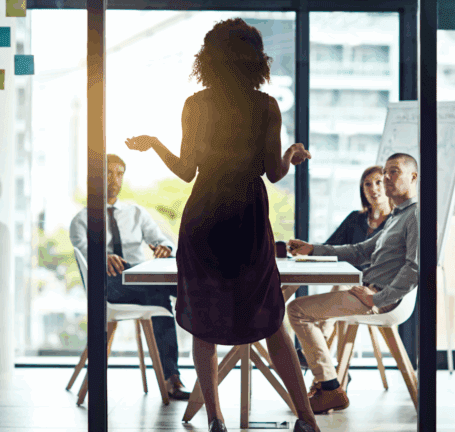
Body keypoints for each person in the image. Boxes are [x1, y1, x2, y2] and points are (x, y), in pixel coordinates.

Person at [124, 18, 320, 432]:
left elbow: (185, 172)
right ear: (256, 59)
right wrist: (291, 154)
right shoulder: (266, 106)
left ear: (207, 59)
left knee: (204, 319)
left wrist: (155, 143)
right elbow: (273, 173)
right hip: (247, 219)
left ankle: (215, 419)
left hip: (205, 219)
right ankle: (305, 419)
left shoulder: (196, 105)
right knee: (271, 317)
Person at [286, 153, 419, 415]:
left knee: (297, 311)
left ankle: (329, 387)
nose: (386, 178)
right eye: (385, 172)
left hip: (380, 298)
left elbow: (414, 268)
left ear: (413, 177)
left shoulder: (415, 216)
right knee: (300, 309)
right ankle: (329, 386)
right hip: (368, 291)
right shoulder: (397, 216)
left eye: (394, 172)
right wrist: (313, 249)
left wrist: (377, 299)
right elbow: (360, 251)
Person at [69, 154, 191, 401]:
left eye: (120, 173)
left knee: (185, 288)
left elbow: (161, 240)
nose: (115, 179)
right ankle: (172, 378)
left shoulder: (136, 212)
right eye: (108, 173)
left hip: (144, 281)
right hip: (109, 287)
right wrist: (102, 255)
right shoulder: (82, 219)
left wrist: (164, 247)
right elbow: (84, 253)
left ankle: (199, 305)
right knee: (160, 297)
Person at [297, 166, 394, 377]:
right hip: (350, 287)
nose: (373, 189)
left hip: (374, 292)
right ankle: (335, 373)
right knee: (342, 285)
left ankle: (317, 355)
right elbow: (331, 246)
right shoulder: (355, 219)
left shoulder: (396, 223)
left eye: (378, 182)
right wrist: (307, 250)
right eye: (367, 184)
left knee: (335, 290)